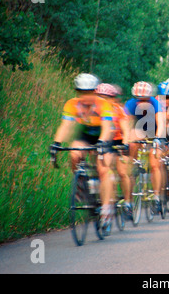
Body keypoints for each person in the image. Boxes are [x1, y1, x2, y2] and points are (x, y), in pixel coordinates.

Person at [50, 73, 115, 232]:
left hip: (102, 135)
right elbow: (66, 126)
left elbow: (107, 128)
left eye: (89, 92)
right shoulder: (72, 104)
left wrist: (101, 143)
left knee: (103, 168)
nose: (85, 96)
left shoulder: (103, 105)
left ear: (94, 91)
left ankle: (106, 209)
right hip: (85, 134)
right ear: (77, 92)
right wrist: (56, 143)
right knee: (74, 153)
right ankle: (81, 184)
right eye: (81, 92)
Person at [124, 81, 165, 213]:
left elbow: (161, 123)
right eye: (138, 99)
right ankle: (128, 202)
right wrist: (127, 141)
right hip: (138, 130)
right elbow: (127, 125)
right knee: (131, 152)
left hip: (154, 130)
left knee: (155, 163)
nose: (141, 102)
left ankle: (157, 197)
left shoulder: (155, 103)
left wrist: (158, 138)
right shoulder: (130, 104)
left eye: (144, 99)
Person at [94, 83, 132, 220]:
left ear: (113, 99)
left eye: (106, 97)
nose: (102, 100)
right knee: (99, 169)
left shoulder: (118, 111)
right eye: (99, 97)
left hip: (118, 141)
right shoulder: (94, 110)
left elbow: (126, 130)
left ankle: (128, 203)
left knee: (122, 172)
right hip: (101, 141)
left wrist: (125, 144)